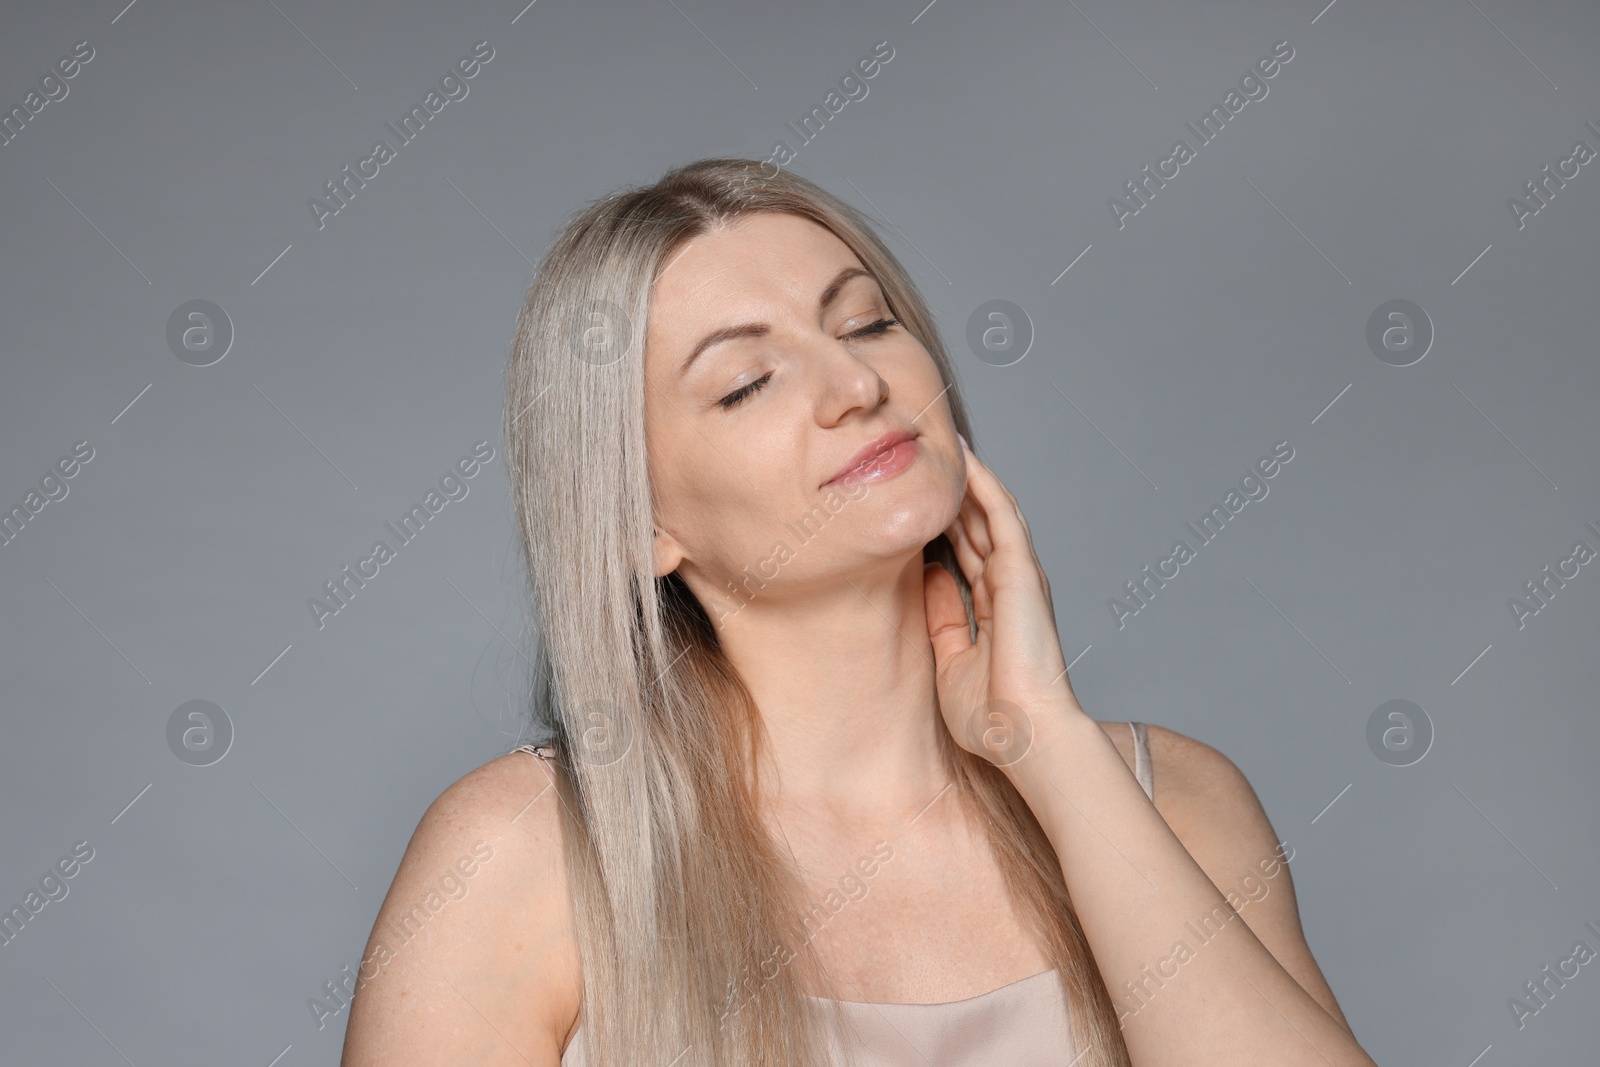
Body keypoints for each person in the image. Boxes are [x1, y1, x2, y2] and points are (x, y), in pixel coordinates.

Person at [341, 158, 1377, 1066]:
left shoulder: (1178, 802)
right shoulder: (519, 855)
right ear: (638, 524)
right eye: (746, 381)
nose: (853, 382)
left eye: (867, 320)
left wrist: (1051, 747)